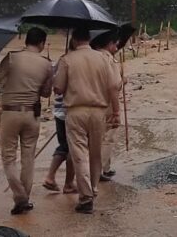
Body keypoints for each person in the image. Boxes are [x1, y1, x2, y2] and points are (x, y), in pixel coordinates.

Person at [54, 27, 121, 214]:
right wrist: (116, 112)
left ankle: (85, 197)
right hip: (99, 111)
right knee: (95, 153)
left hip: (76, 111)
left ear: (74, 40)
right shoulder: (103, 58)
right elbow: (114, 86)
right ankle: (94, 188)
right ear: (88, 40)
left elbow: (58, 88)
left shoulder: (67, 59)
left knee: (79, 153)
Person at [0, 27, 53, 215]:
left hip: (10, 114)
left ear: (26, 41)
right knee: (28, 159)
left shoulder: (12, 58)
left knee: (9, 158)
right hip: (32, 115)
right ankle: (24, 199)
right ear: (41, 43)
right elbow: (47, 93)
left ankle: (20, 197)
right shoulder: (47, 64)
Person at [89, 30, 124, 182]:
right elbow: (114, 86)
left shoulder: (91, 57)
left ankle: (104, 167)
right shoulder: (110, 60)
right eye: (115, 44)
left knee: (95, 137)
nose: (117, 48)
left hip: (91, 102)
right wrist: (117, 111)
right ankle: (101, 169)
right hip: (108, 103)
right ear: (109, 44)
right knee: (108, 137)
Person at [43, 39, 76, 195]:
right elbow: (58, 88)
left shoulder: (60, 62)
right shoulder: (68, 63)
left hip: (59, 111)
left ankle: (54, 178)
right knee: (71, 148)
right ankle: (66, 183)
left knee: (64, 146)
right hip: (68, 111)